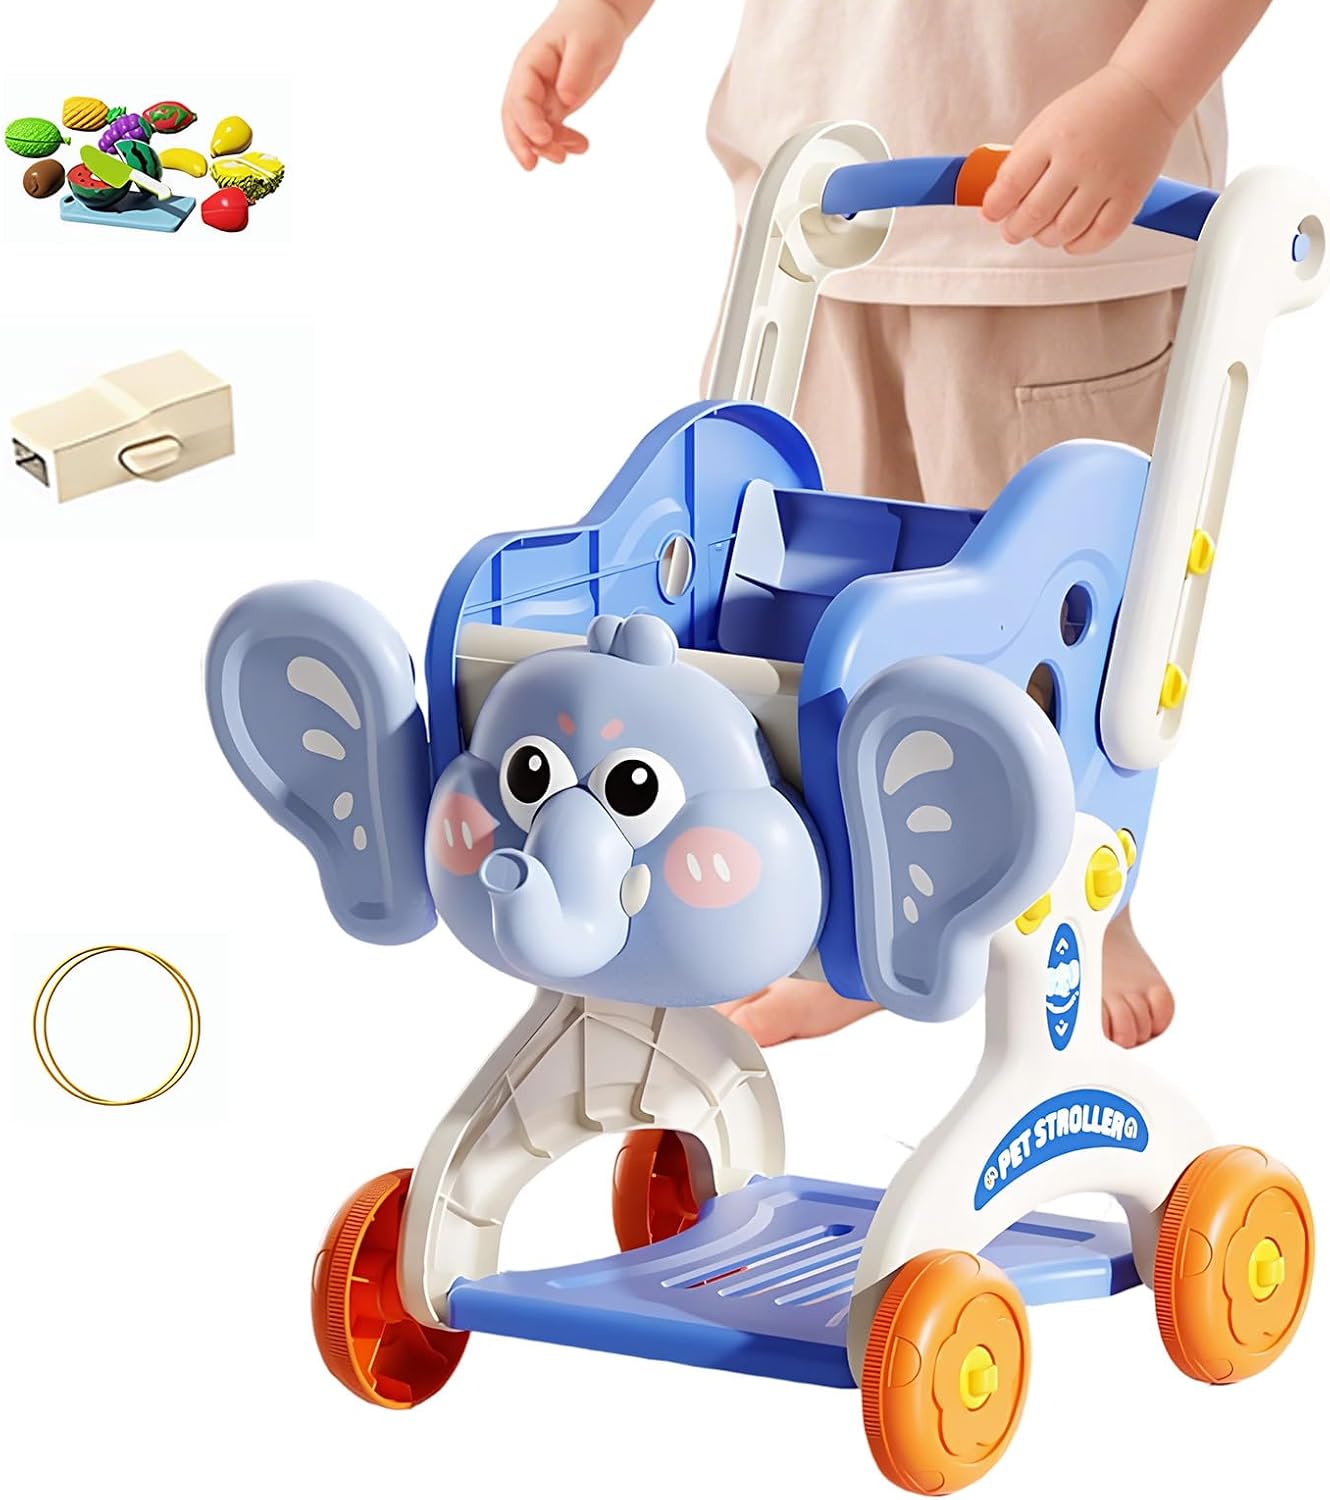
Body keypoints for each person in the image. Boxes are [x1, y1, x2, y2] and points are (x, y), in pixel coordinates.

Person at [501, 0, 1272, 1048]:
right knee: (793, 619)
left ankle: (1086, 896)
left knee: (1064, 618)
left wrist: (1144, 92)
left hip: (1062, 234)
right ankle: (847, 916)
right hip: (818, 216)